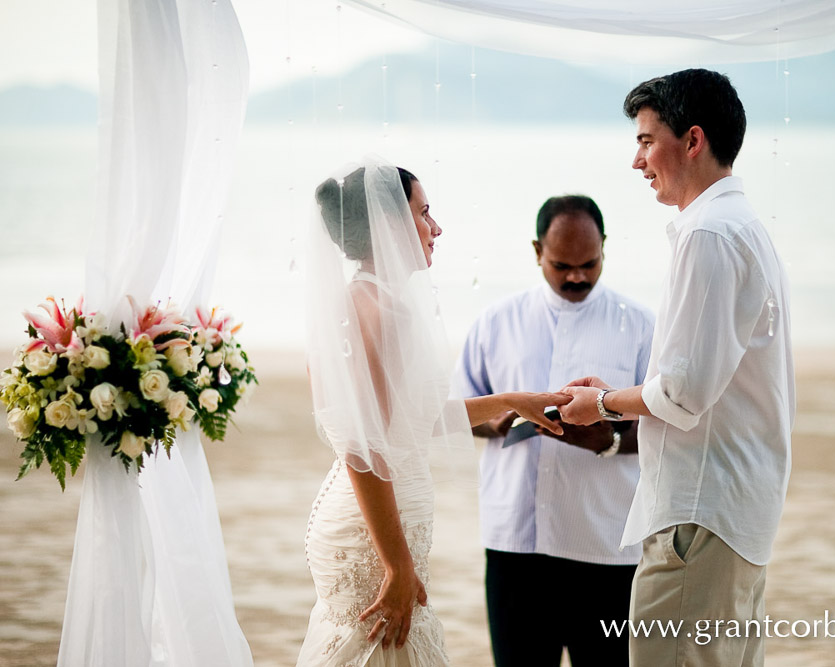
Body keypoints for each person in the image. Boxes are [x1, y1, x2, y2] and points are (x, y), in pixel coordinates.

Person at [558, 70, 795, 667]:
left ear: (692, 141)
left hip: (699, 514)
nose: (638, 161)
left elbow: (684, 393)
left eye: (645, 140)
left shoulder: (710, 233)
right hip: (733, 510)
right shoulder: (745, 228)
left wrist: (604, 404)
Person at [297, 158, 568, 667]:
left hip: (368, 516)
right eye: (425, 213)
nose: (436, 227)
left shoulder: (356, 299)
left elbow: (409, 421)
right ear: (390, 223)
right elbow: (364, 447)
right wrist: (396, 564)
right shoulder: (382, 311)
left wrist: (511, 400)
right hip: (374, 530)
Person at [452, 195, 655, 666]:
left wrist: (610, 441)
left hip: (605, 546)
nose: (577, 277)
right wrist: (498, 419)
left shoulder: (642, 326)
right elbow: (458, 411)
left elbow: (666, 428)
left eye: (589, 263)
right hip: (514, 544)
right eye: (562, 265)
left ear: (605, 248)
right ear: (536, 251)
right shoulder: (495, 322)